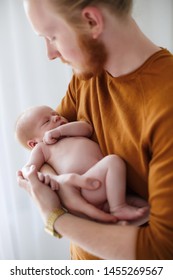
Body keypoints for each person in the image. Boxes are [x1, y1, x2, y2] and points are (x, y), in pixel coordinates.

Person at [17, 0, 173, 259]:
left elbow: (160, 253)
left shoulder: (166, 102)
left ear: (91, 22)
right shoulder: (86, 77)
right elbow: (41, 145)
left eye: (52, 37)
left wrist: (54, 217)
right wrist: (63, 187)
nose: (50, 53)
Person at [16, 105, 148, 221]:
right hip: (86, 187)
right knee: (113, 161)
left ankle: (126, 212)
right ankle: (118, 207)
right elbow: (29, 168)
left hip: (106, 184)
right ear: (33, 143)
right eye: (46, 121)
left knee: (144, 206)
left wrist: (59, 131)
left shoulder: (70, 131)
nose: (55, 118)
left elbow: (87, 128)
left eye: (55, 114)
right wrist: (36, 175)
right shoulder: (42, 148)